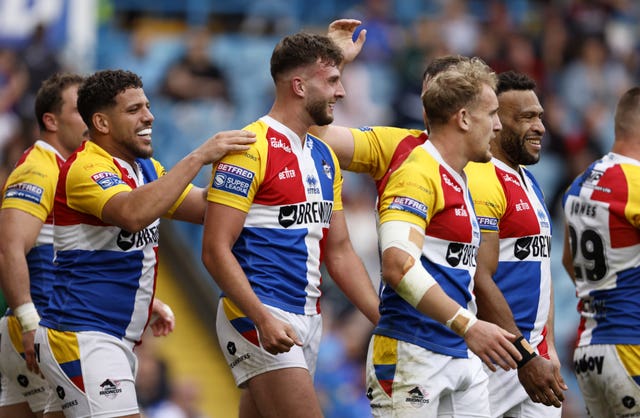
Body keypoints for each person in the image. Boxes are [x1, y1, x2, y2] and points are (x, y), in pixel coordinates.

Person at [319, 19, 568, 413]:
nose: (499, 123)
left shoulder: (484, 170)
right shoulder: (406, 153)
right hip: (445, 342)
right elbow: (315, 132)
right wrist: (332, 67)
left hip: (468, 347)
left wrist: (540, 344)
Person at [32, 69, 256, 418]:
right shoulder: (85, 167)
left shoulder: (145, 167)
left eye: (148, 106)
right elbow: (133, 213)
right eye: (134, 109)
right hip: (83, 335)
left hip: (111, 338)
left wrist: (247, 173)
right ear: (103, 123)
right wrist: (198, 157)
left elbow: (200, 207)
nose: (149, 116)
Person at [201, 31, 380, 418]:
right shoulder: (249, 149)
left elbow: (341, 251)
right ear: (298, 86)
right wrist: (261, 317)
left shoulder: (324, 156)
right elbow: (215, 250)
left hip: (308, 320)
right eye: (332, 81)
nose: (342, 92)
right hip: (260, 312)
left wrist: (384, 318)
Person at [465, 71, 567, 416]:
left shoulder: (529, 180)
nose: (539, 127)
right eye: (525, 118)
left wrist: (547, 345)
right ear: (495, 122)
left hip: (534, 357)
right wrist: (524, 356)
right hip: (496, 360)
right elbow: (480, 277)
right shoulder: (481, 178)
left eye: (539, 116)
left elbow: (542, 270)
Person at [0, 72, 85, 418]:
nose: (92, 118)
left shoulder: (67, 169)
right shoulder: (39, 168)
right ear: (51, 120)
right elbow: (9, 249)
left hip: (33, 332)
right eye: (80, 110)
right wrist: (30, 321)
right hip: (41, 331)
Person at [561, 86, 640, 418]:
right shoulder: (634, 182)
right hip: (631, 345)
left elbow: (568, 261)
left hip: (590, 350)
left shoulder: (580, 182)